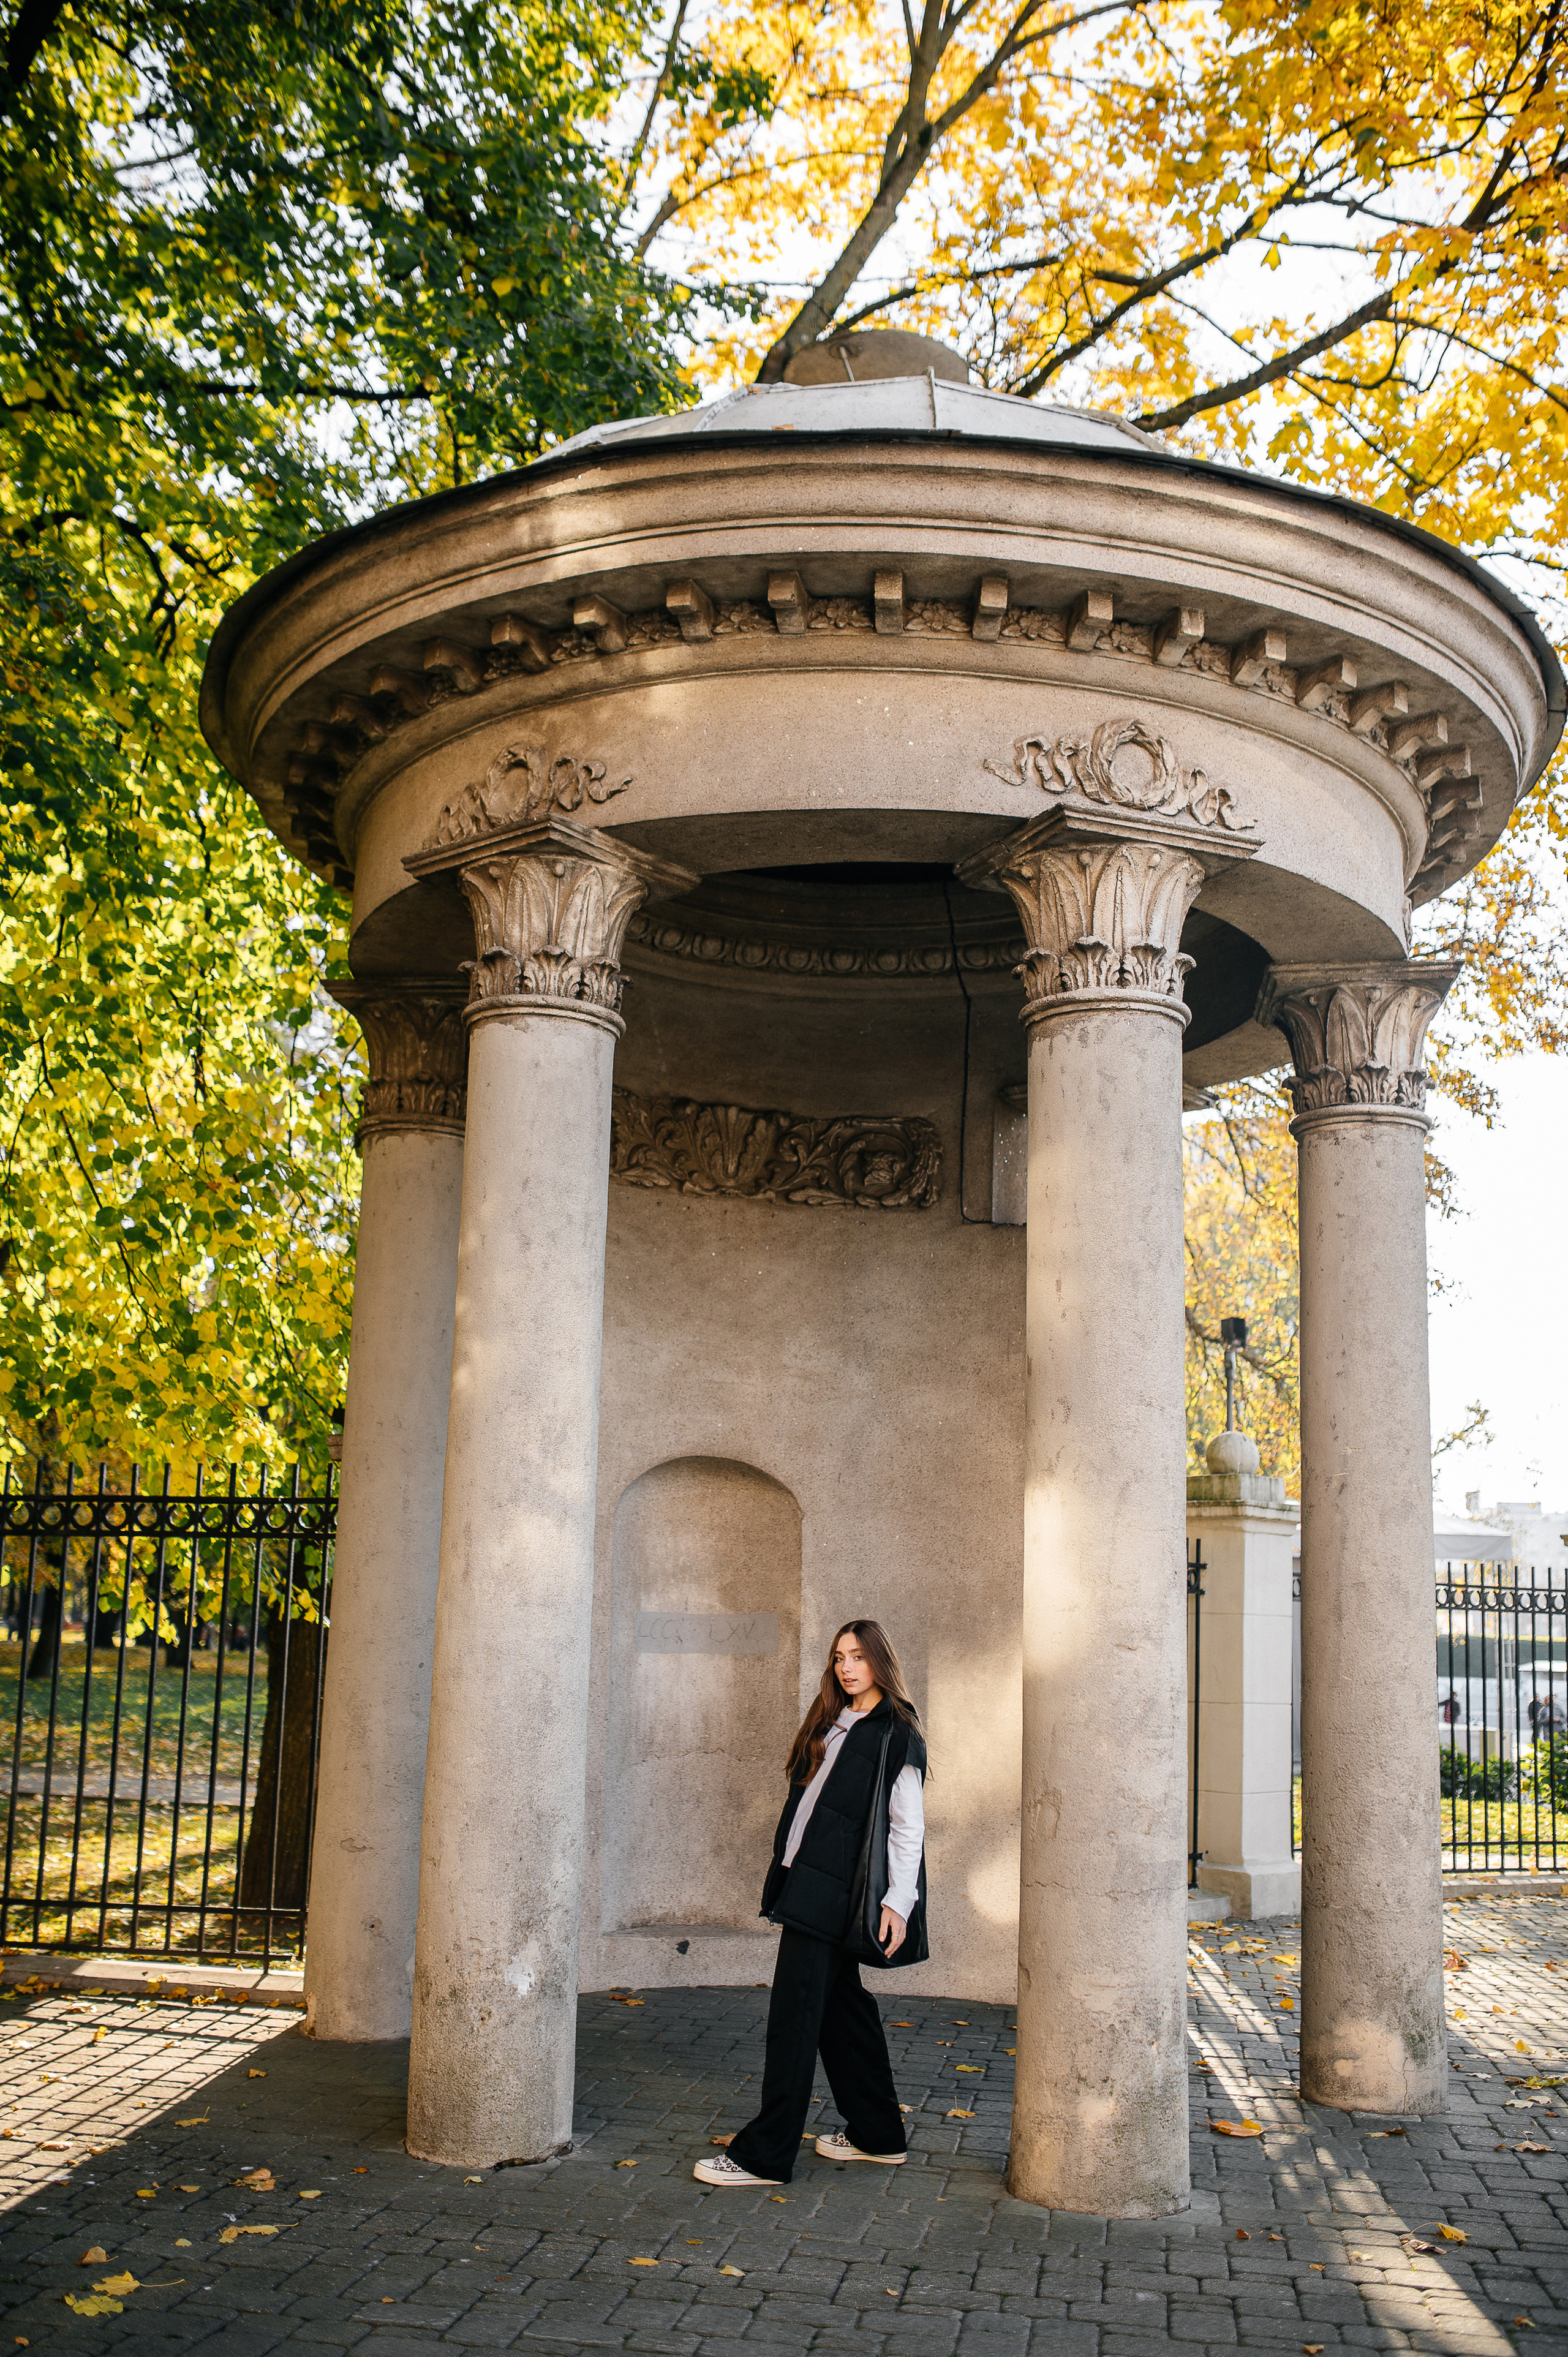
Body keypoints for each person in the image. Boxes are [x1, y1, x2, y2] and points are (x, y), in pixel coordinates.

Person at [694, 1618, 927, 2188]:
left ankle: (764, 2157)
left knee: (795, 2018)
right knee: (844, 2013)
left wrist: (898, 1901)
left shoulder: (896, 1732)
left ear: (880, 1661)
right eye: (839, 1657)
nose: (847, 1667)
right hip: (804, 1880)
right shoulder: (831, 1720)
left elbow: (907, 1827)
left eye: (858, 1656)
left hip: (834, 1893)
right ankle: (877, 2134)